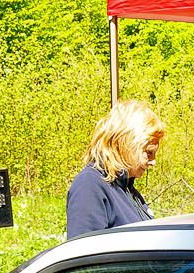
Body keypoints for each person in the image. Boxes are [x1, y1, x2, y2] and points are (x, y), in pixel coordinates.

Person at [66, 100, 165, 239]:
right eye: (148, 153)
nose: (153, 162)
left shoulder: (126, 189)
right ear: (127, 144)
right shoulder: (90, 185)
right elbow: (83, 249)